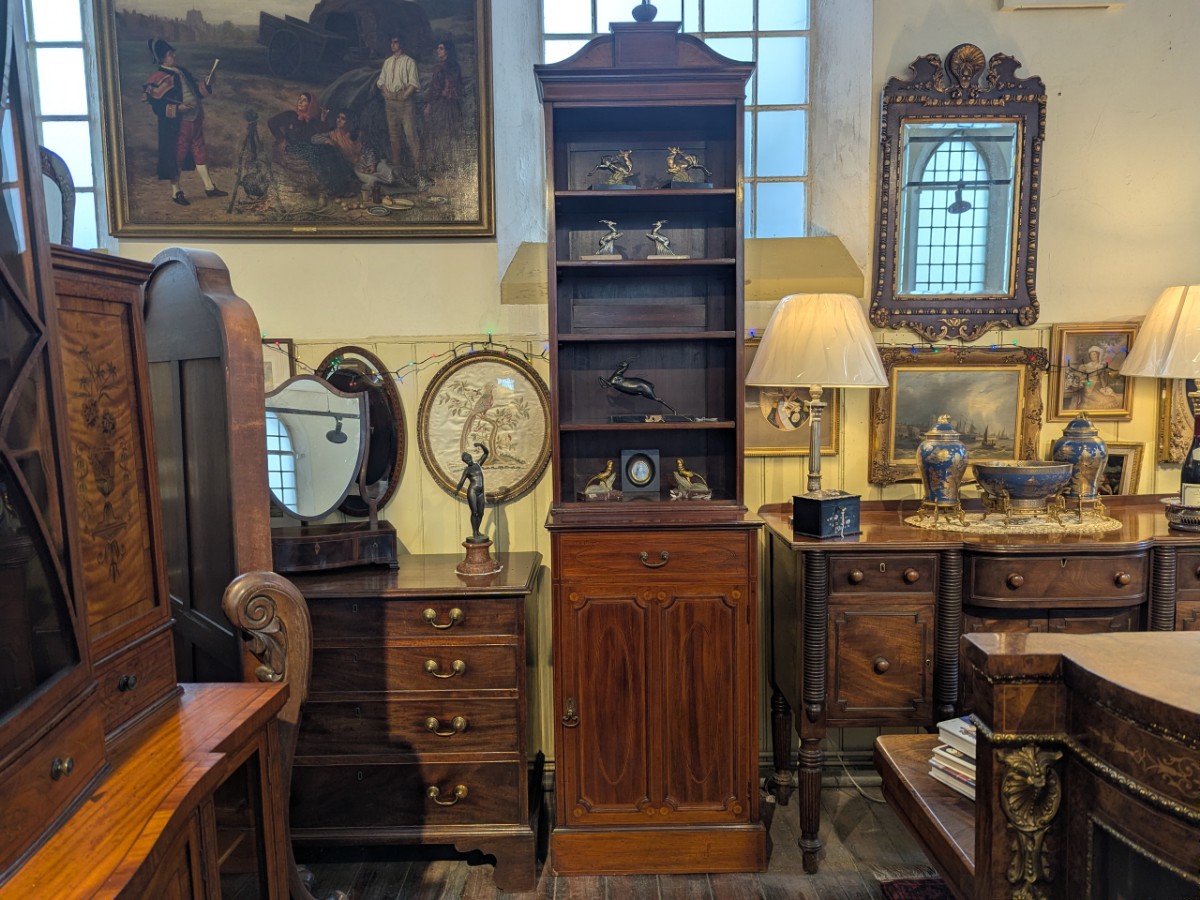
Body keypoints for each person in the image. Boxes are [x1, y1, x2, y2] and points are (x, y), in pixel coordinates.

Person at [142, 37, 227, 206]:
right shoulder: (158, 77)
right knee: (177, 157)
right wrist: (178, 109)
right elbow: (157, 106)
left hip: (195, 120)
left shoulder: (181, 71)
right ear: (162, 58)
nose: (173, 55)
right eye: (169, 54)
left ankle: (209, 187)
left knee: (200, 152)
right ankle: (176, 192)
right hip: (178, 125)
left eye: (172, 53)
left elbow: (197, 92)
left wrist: (207, 83)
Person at [268, 92, 357, 202]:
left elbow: (322, 132)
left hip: (307, 147)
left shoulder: (312, 120)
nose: (300, 101)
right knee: (315, 154)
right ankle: (324, 189)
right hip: (292, 147)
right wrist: (281, 139)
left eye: (304, 100)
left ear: (310, 105)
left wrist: (323, 119)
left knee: (329, 150)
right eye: (299, 99)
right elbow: (271, 122)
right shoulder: (290, 115)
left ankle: (342, 185)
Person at [313, 109, 397, 203]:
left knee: (388, 170)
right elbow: (314, 138)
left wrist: (371, 165)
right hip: (354, 166)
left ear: (349, 121)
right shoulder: (332, 134)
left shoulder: (358, 135)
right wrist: (328, 140)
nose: (339, 120)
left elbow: (368, 150)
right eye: (338, 117)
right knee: (371, 180)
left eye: (343, 118)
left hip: (365, 161)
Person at [375, 35, 422, 172]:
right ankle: (397, 162)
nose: (392, 45)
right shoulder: (387, 62)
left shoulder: (409, 62)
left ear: (401, 43)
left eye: (395, 42)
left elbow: (413, 83)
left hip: (405, 101)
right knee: (393, 132)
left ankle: (418, 164)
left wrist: (403, 96)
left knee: (409, 133)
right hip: (390, 102)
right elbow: (381, 81)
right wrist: (387, 94)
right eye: (391, 42)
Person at [422, 38, 463, 171]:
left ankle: (440, 164)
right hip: (453, 105)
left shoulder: (440, 67)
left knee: (439, 133)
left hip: (442, 105)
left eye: (441, 48)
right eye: (438, 48)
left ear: (447, 51)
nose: (437, 51)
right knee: (451, 134)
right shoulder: (456, 66)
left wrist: (429, 104)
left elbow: (436, 88)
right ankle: (450, 164)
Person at [455, 442, 489, 542]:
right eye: (466, 460)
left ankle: (477, 530)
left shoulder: (478, 464)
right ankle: (475, 532)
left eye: (469, 458)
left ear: (471, 457)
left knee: (481, 512)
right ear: (465, 462)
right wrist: (457, 490)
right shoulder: (467, 470)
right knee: (475, 512)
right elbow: (461, 482)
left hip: (481, 492)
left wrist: (481, 445)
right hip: (472, 491)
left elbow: (486, 453)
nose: (468, 461)